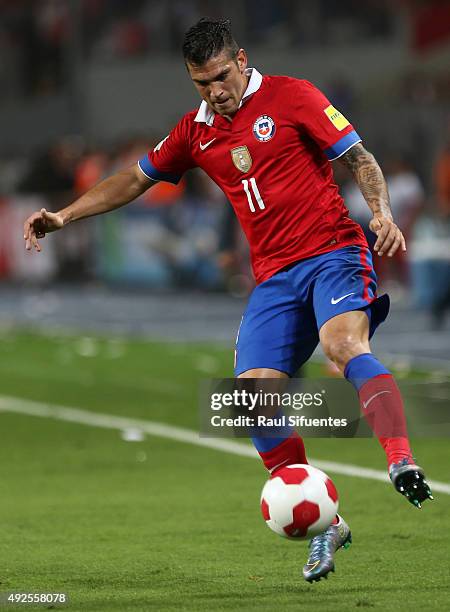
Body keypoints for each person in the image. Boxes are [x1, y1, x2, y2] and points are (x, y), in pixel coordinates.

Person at [23, 18, 433, 583]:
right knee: (250, 396)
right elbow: (135, 180)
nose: (215, 91)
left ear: (241, 59)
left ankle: (400, 459)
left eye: (220, 76)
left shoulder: (294, 95)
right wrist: (64, 215)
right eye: (201, 83)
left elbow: (359, 159)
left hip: (333, 252)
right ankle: (326, 524)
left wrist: (381, 213)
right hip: (273, 278)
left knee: (341, 346)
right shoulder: (194, 132)